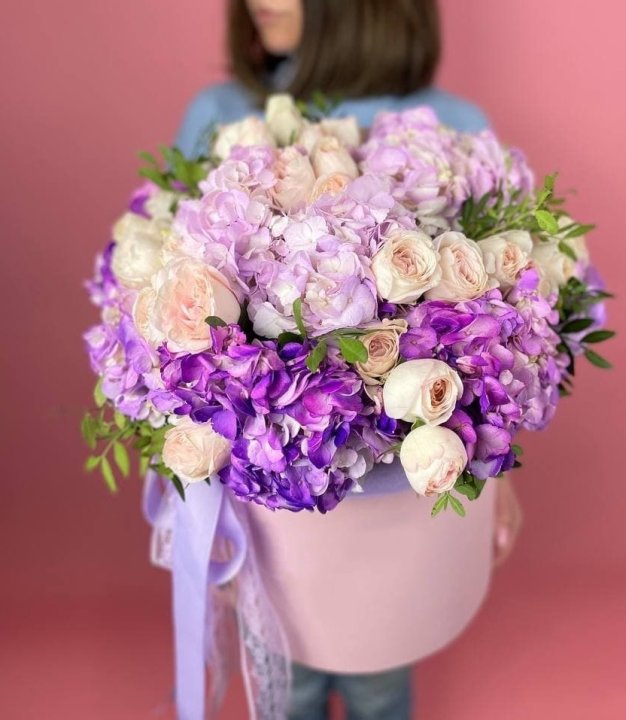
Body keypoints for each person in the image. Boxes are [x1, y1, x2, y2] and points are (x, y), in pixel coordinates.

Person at [173, 1, 523, 718]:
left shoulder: (448, 127)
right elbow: (171, 321)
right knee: (284, 684)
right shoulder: (222, 116)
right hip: (269, 506)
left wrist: (500, 471)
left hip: (399, 517)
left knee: (380, 684)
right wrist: (192, 492)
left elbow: (505, 337)